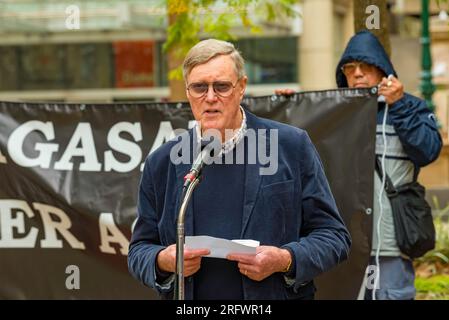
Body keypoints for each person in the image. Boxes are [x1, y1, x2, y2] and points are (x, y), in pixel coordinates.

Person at [128, 38, 351, 300]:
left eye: (221, 86)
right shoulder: (163, 161)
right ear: (188, 92)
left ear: (242, 87)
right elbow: (139, 250)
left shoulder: (291, 146)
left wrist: (284, 259)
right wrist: (162, 261)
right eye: (199, 87)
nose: (210, 98)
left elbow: (334, 237)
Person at [277, 30, 442, 300]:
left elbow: (428, 151)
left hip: (388, 241)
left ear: (383, 71)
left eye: (365, 67)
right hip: (341, 240)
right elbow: (293, 149)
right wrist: (288, 108)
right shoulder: (333, 112)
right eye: (350, 68)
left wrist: (399, 106)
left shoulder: (410, 106)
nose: (357, 74)